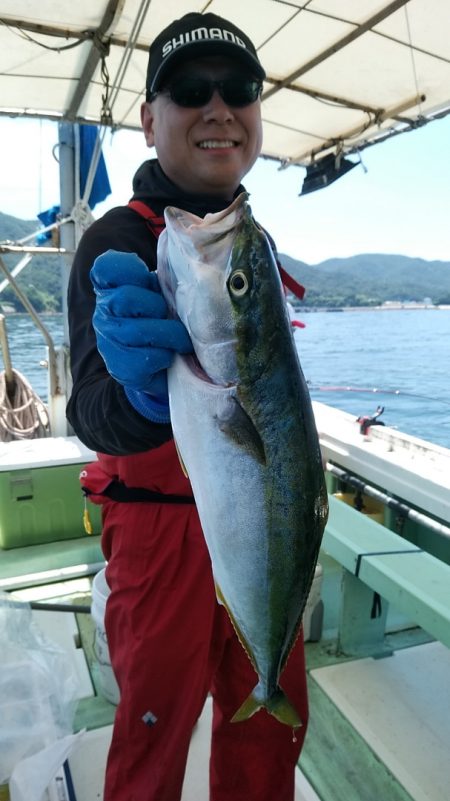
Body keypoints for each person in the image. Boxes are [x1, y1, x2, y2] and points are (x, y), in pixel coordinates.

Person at [67, 11, 309, 801]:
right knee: (152, 729)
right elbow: (90, 412)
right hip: (157, 527)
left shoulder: (250, 242)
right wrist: (141, 396)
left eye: (238, 89)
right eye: (188, 91)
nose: (218, 108)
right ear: (149, 119)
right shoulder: (115, 241)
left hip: (265, 528)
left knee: (268, 733)